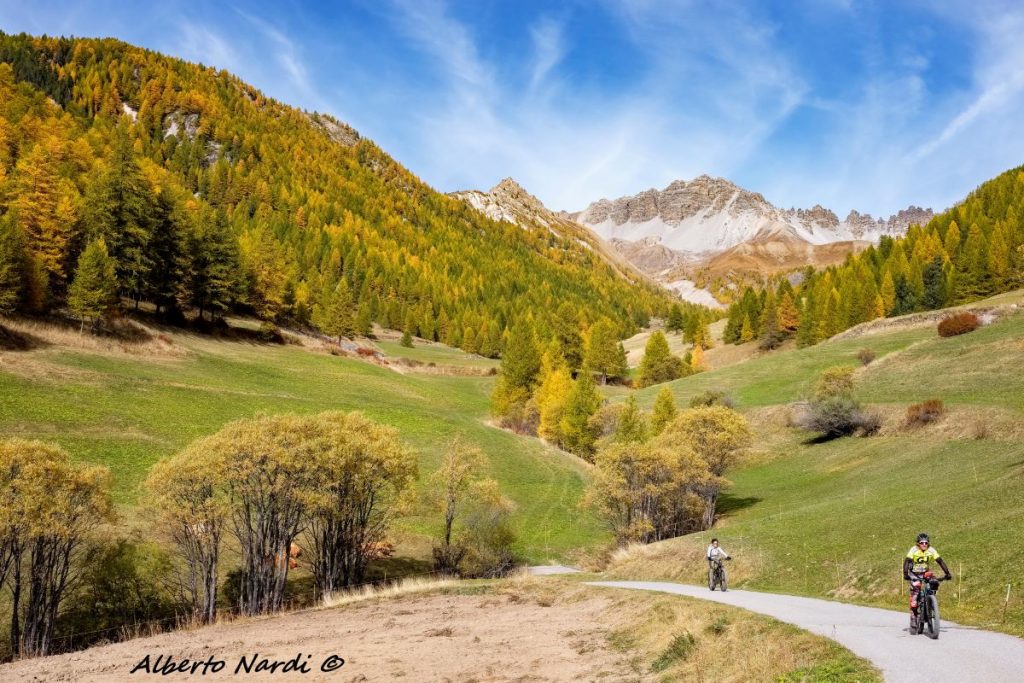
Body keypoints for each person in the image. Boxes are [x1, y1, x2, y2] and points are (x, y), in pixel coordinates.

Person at [904, 532, 952, 629]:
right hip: (914, 574)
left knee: (934, 582)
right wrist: (906, 574)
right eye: (922, 543)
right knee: (915, 593)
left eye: (926, 543)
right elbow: (907, 561)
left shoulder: (931, 550)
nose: (924, 544)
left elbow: (940, 561)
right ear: (918, 543)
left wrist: (947, 573)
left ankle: (930, 602)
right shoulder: (914, 550)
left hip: (925, 572)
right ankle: (913, 616)